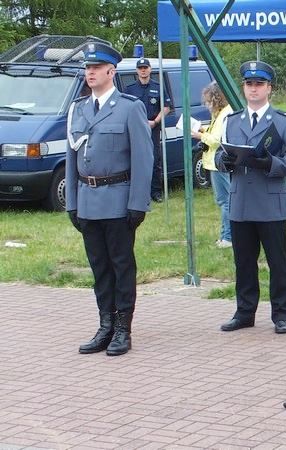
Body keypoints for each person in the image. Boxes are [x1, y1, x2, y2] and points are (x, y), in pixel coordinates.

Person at [66, 42, 153, 356]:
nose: (89, 73)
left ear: (111, 71)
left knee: (120, 266)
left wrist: (137, 203)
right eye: (87, 68)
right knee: (99, 267)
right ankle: (104, 325)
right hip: (88, 201)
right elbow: (71, 158)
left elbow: (144, 159)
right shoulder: (79, 108)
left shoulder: (130, 107)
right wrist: (72, 203)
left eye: (95, 68)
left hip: (118, 199)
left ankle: (122, 329)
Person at [215, 61, 286, 334]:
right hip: (241, 201)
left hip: (269, 200)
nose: (253, 89)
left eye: (259, 84)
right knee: (244, 262)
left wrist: (269, 162)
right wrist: (224, 161)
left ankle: (282, 314)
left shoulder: (284, 121)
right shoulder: (232, 120)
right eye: (249, 84)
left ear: (269, 88)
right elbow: (219, 155)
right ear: (244, 88)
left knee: (277, 261)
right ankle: (245, 312)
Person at [192, 82, 233, 248]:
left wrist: (199, 136)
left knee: (226, 201)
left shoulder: (225, 113)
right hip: (215, 162)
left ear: (217, 99)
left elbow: (217, 140)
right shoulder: (219, 113)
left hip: (219, 163)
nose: (207, 105)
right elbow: (215, 132)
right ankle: (224, 235)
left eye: (209, 101)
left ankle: (228, 237)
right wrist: (203, 129)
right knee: (222, 200)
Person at [124, 58, 172, 202]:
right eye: (140, 68)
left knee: (154, 160)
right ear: (137, 71)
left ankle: (155, 192)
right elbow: (125, 109)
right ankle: (140, 193)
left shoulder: (158, 87)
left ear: (150, 69)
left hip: (153, 128)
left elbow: (166, 107)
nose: (143, 70)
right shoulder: (130, 89)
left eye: (145, 67)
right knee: (136, 160)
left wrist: (155, 121)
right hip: (136, 130)